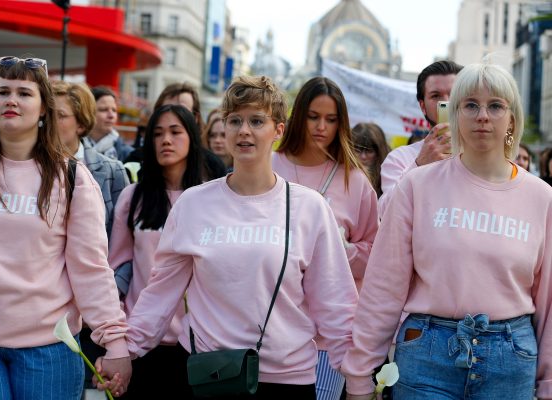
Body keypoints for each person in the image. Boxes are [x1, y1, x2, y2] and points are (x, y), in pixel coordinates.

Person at [114, 75, 358, 399]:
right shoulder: (193, 203)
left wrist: (357, 377)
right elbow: (160, 293)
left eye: (257, 121)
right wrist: (125, 350)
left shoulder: (309, 207)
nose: (244, 130)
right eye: (234, 121)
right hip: (211, 374)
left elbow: (335, 302)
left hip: (287, 379)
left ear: (279, 131)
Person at [342, 62, 552, 400]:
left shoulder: (541, 197)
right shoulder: (416, 185)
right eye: (470, 105)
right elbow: (384, 286)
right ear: (454, 114)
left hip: (510, 358)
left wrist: (548, 384)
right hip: (426, 351)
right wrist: (360, 375)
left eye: (495, 105)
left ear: (512, 119)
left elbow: (548, 302)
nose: (483, 115)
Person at [0, 56, 131, 399]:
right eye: (3, 92)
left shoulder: (73, 179)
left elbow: (91, 269)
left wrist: (116, 343)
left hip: (49, 347)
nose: (11, 100)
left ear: (44, 109)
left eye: (24, 93)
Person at [272, 76, 377, 400]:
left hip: (328, 336)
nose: (321, 127)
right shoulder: (270, 166)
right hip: (270, 327)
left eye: (331, 120)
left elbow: (375, 254)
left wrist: (338, 251)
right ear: (297, 116)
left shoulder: (355, 180)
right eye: (313, 116)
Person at [107, 104, 206, 398]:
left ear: (192, 137)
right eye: (158, 134)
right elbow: (117, 267)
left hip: (195, 345)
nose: (166, 140)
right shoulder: (133, 196)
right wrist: (120, 333)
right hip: (139, 341)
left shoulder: (210, 198)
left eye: (176, 132)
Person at [379, 60, 463, 217]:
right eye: (436, 96)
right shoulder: (400, 159)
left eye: (454, 94)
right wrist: (419, 165)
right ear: (422, 106)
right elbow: (385, 213)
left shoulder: (483, 154)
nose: (446, 102)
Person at [52, 81, 129, 236]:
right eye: (47, 115)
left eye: (60, 115)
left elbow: (121, 239)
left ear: (81, 123)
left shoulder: (112, 171)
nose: (50, 122)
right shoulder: (29, 165)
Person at [85, 86, 134, 162]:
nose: (111, 115)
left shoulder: (128, 154)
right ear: (88, 112)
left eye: (114, 110)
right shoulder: (73, 150)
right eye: (104, 109)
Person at [351, 122, 390, 197]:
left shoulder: (388, 179)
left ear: (379, 153)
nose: (363, 157)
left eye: (369, 151)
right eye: (357, 150)